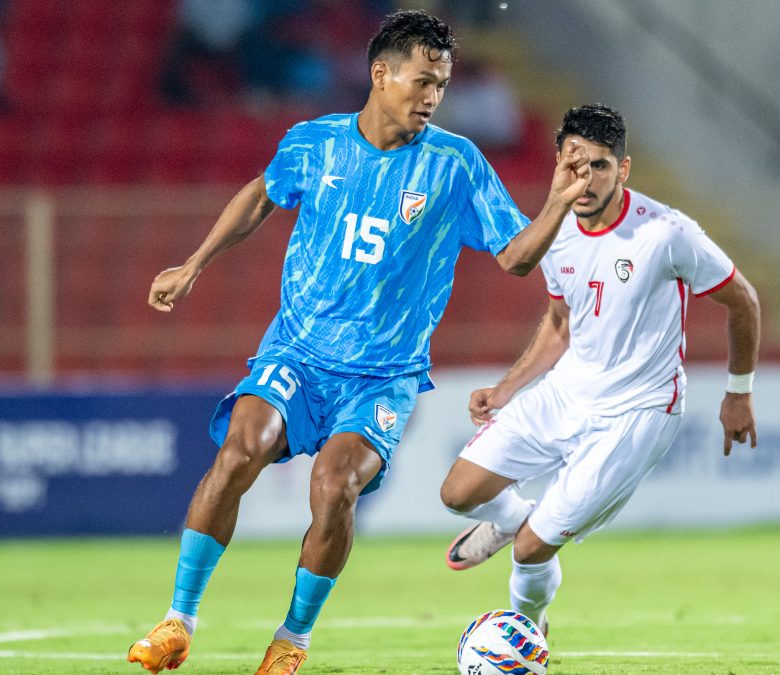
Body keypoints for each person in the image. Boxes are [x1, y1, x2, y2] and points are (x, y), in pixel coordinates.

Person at [127, 10, 591, 675]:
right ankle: (179, 619)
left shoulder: (455, 165)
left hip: (382, 376)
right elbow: (262, 194)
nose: (433, 97)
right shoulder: (314, 143)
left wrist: (555, 205)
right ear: (382, 73)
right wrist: (194, 263)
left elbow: (516, 257)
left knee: (334, 484)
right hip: (298, 350)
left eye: (442, 85)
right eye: (423, 81)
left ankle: (291, 640)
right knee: (238, 451)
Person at [438, 104, 761, 634]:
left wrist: (739, 393)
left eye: (600, 166)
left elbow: (743, 300)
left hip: (637, 411)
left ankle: (526, 634)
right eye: (574, 164)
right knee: (457, 493)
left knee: (532, 550)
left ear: (624, 170)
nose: (584, 180)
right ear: (557, 164)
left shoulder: (666, 233)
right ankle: (515, 517)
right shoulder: (556, 231)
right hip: (567, 393)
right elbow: (561, 323)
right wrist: (509, 386)